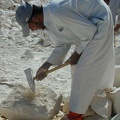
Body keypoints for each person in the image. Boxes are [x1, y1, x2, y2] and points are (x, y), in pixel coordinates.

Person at [15, 0, 115, 120]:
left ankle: (75, 115)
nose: (32, 30)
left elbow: (89, 31)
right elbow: (62, 43)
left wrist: (77, 53)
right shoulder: (49, 21)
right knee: (76, 67)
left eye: (29, 27)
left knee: (84, 69)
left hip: (100, 21)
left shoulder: (57, 12)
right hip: (91, 27)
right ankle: (88, 101)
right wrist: (46, 65)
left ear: (35, 19)